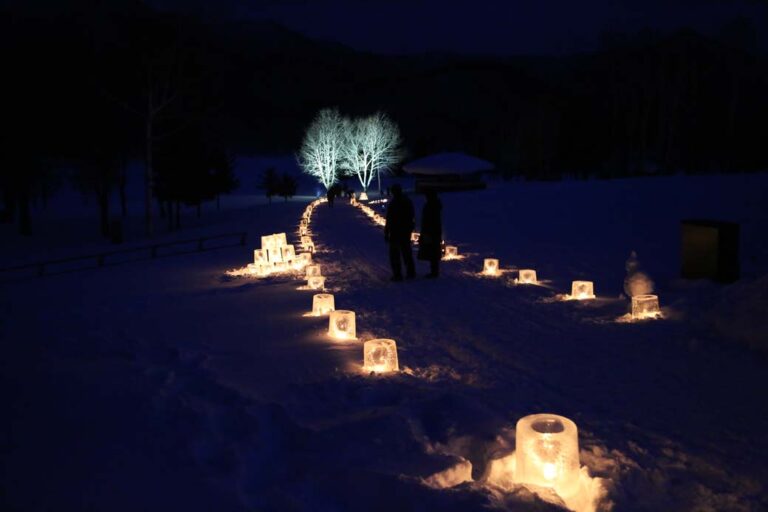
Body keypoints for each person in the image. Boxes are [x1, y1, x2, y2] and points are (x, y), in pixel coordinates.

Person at [384, 184, 415, 281]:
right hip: (404, 230)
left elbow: (389, 219)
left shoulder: (394, 203)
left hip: (396, 231)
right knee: (406, 251)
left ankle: (398, 274)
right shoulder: (407, 202)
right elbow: (411, 216)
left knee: (395, 253)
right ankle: (410, 271)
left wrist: (387, 231)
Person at [417, 189, 442, 278]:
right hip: (433, 231)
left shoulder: (431, 206)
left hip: (431, 231)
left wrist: (426, 232)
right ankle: (434, 271)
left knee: (433, 251)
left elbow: (430, 220)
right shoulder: (433, 205)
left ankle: (434, 272)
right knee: (432, 250)